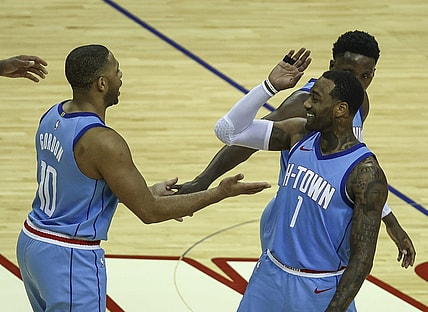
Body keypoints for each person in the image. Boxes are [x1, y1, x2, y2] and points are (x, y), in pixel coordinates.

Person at [15, 44, 273, 312]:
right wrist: (218, 193)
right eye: (116, 70)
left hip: (33, 242)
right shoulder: (103, 141)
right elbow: (149, 212)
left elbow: (77, 184)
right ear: (102, 84)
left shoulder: (52, 115)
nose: (121, 75)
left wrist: (143, 191)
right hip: (68, 255)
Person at [177, 30, 415, 268]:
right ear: (332, 66)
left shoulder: (359, 101)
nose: (358, 83)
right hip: (294, 214)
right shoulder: (304, 104)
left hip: (329, 215)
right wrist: (203, 181)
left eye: (366, 75)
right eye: (348, 73)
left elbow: (353, 166)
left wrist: (388, 218)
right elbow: (244, 141)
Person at [214, 50, 388, 311]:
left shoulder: (365, 172)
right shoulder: (297, 134)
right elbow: (228, 131)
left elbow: (362, 260)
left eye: (315, 100)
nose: (306, 104)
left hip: (318, 287)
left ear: (340, 109)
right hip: (270, 274)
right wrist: (268, 87)